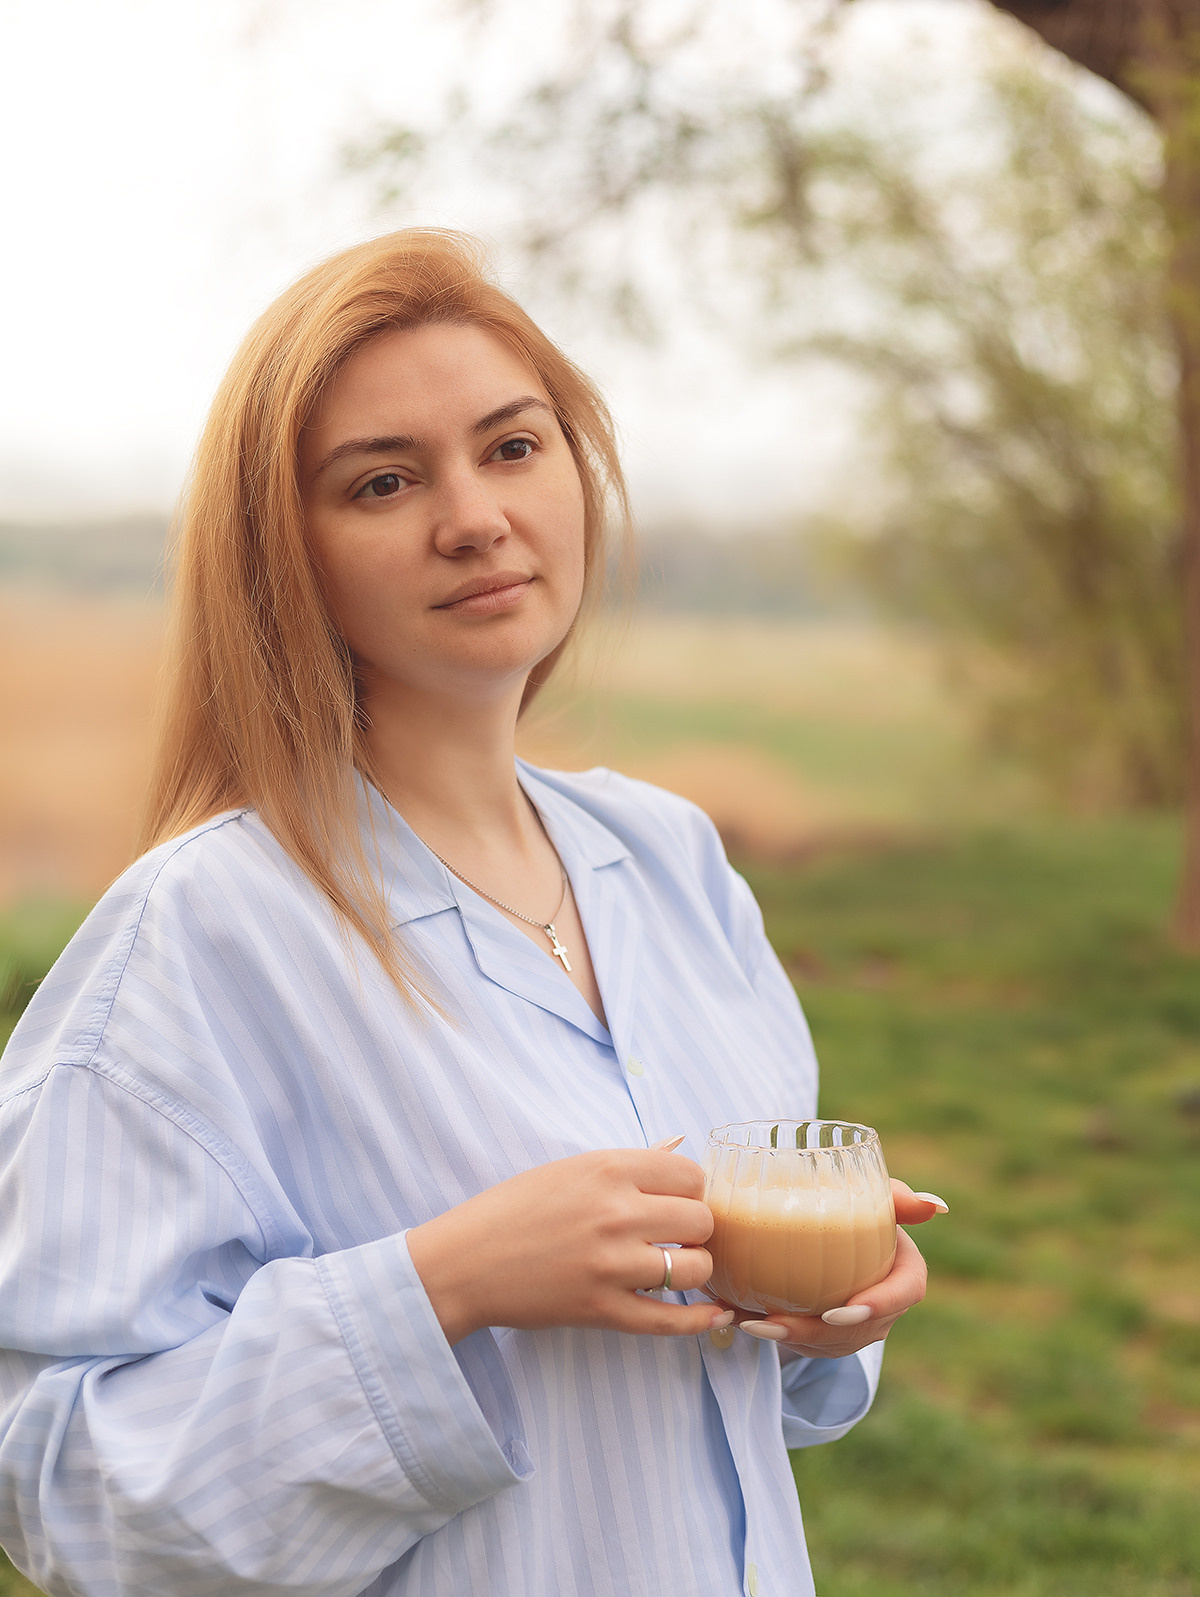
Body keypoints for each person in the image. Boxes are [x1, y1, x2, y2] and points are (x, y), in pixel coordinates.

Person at [0, 230, 941, 1597]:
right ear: (286, 556)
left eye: (512, 448)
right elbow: (58, 1481)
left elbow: (746, 1383)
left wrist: (823, 1305)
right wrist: (444, 1284)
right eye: (385, 480)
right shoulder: (198, 938)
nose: (474, 516)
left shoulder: (670, 860)